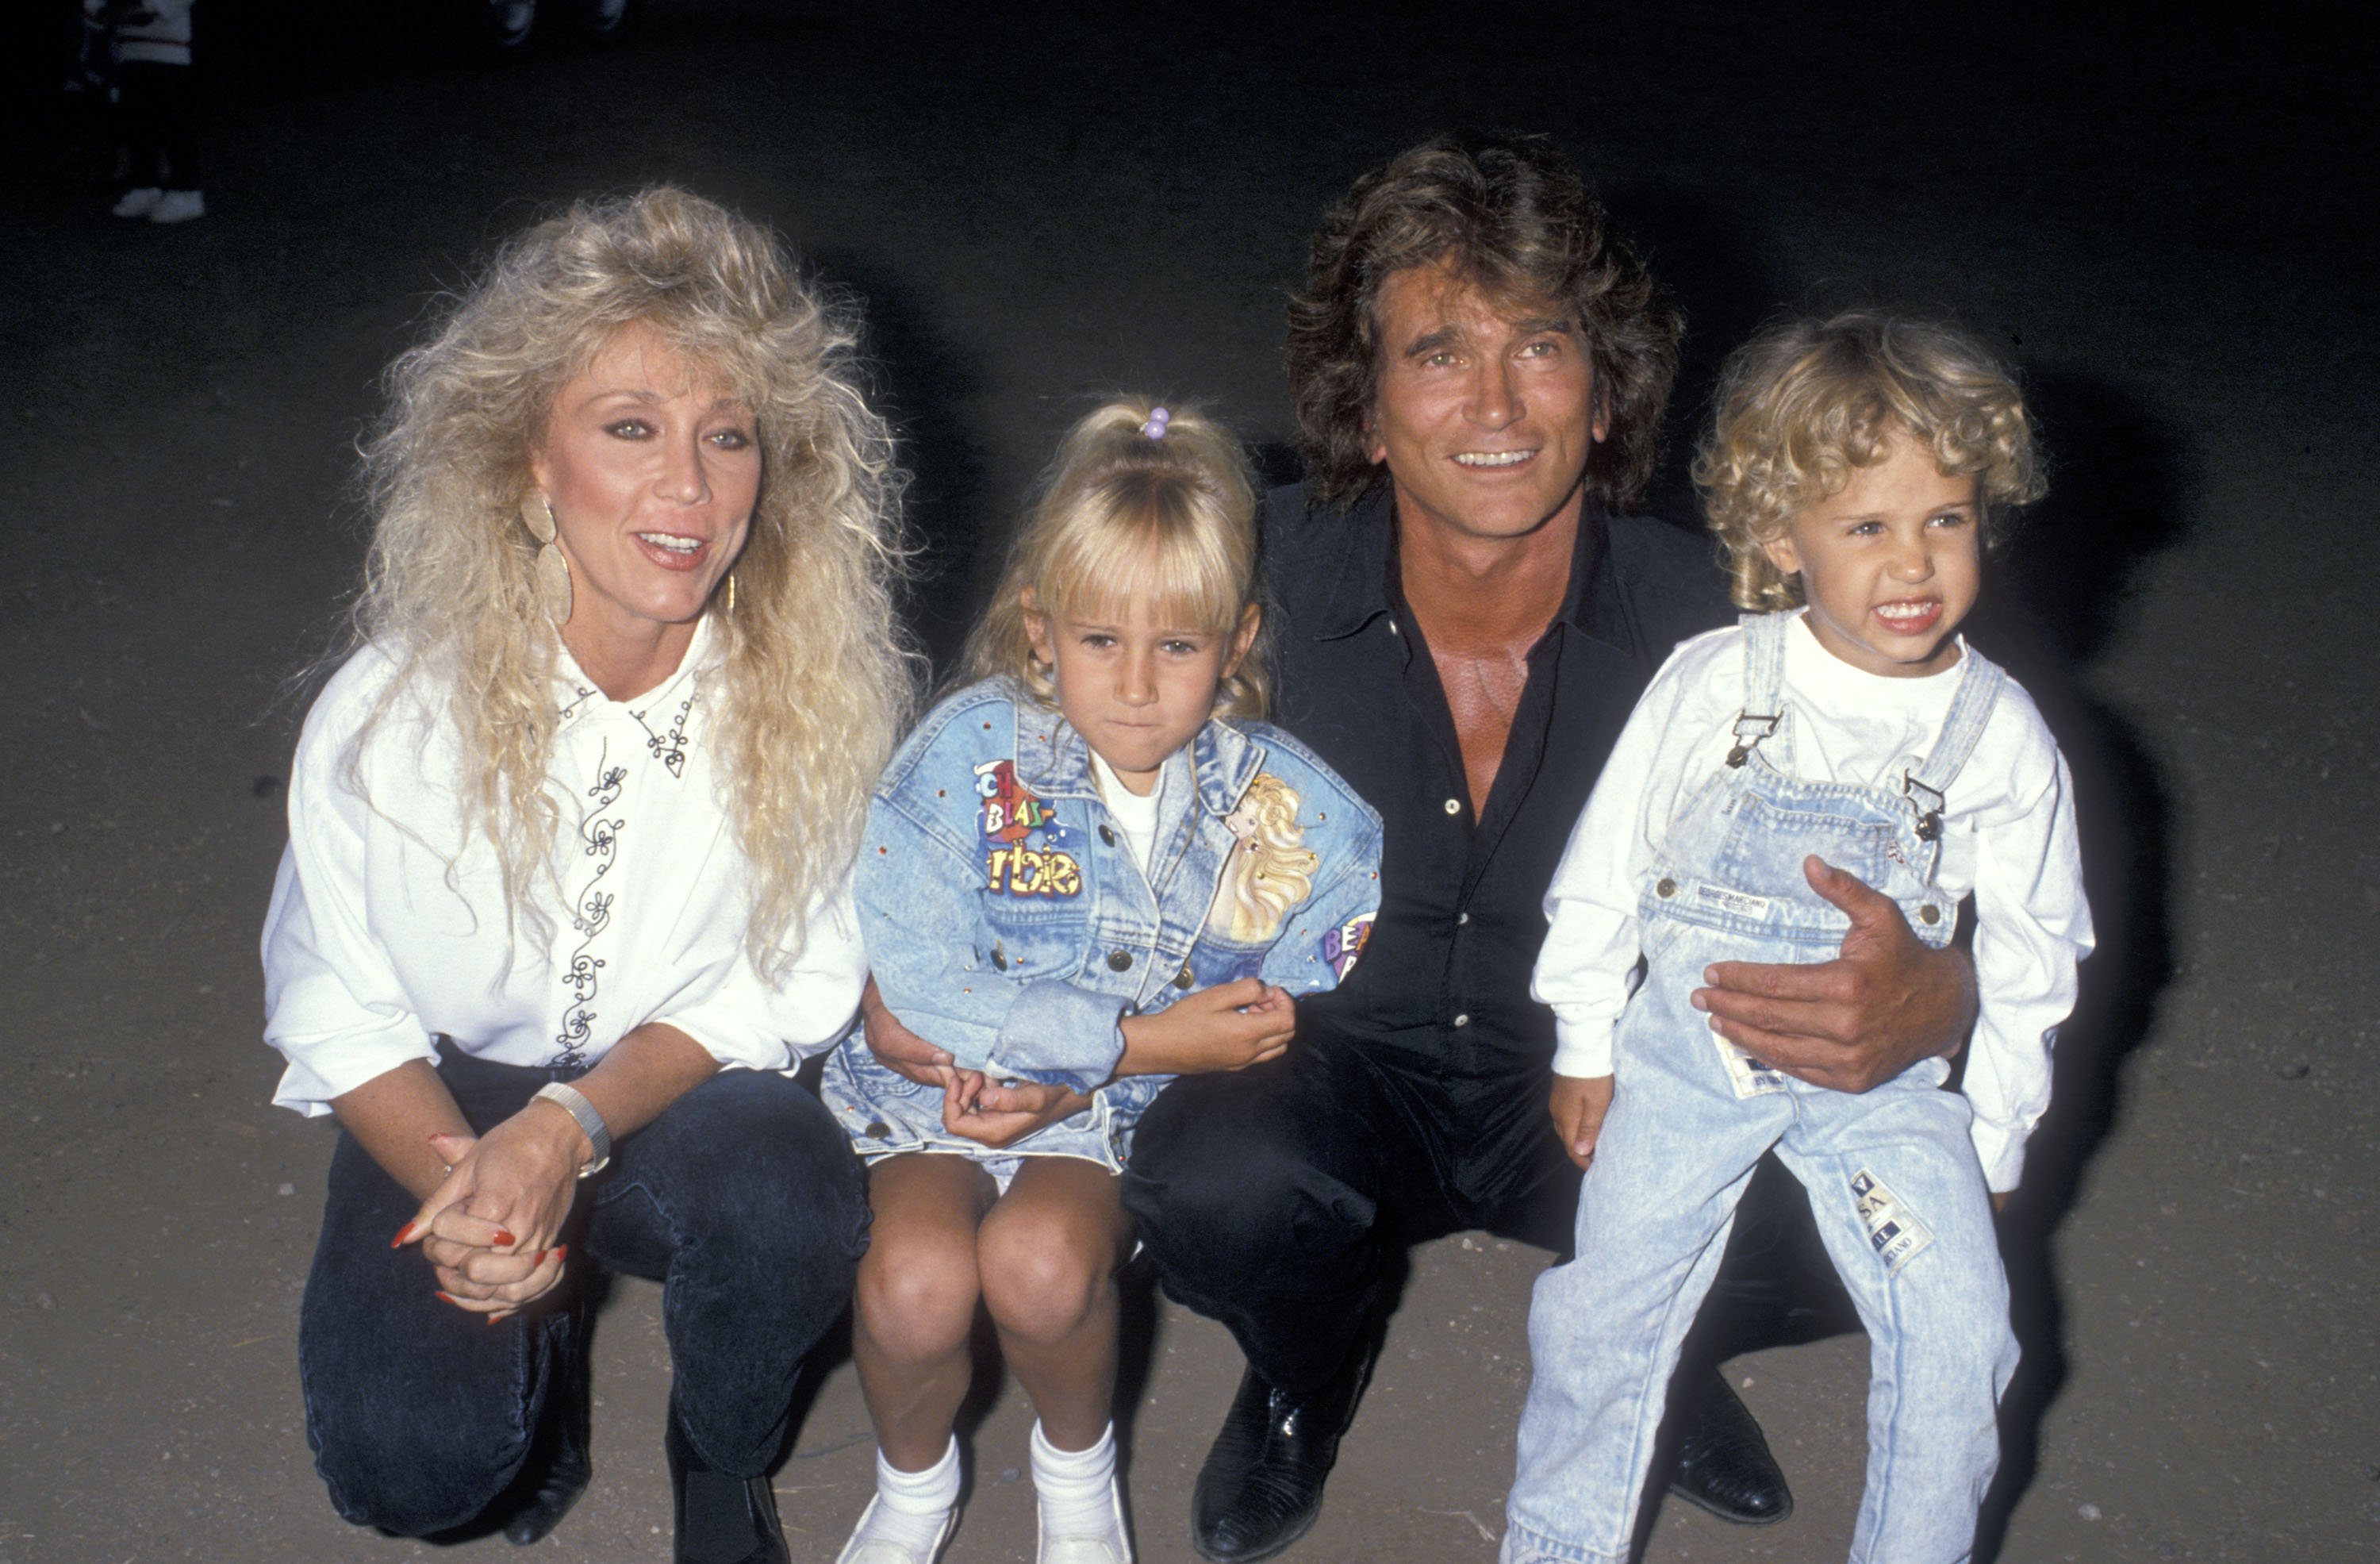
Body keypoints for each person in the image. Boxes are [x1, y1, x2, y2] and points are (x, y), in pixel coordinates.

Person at [1084, 136, 1986, 1562]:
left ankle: (1660, 1351)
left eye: (1544, 347)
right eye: (1439, 352)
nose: (1496, 403)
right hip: (1317, 1060)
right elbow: (1031, 760)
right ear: (1366, 408)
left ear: (1607, 389)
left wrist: (1947, 995)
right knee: (1214, 1191)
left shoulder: (1741, 630)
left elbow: (1971, 820)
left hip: (1611, 1081)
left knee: (1883, 1206)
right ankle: (1309, 1371)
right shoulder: (1246, 579)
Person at [260, 187, 913, 1564]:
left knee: (793, 1196)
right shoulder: (391, 713)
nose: (689, 488)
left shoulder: (814, 708)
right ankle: (533, 1371)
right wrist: (482, 1192)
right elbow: (338, 1004)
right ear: (527, 466)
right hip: (438, 1097)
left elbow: (785, 978)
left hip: (664, 1086)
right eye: (632, 430)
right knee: (417, 1475)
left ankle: (723, 1451)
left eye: (726, 437)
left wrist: (564, 1132)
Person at [1502, 313, 2093, 1564]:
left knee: (1962, 1326)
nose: (1914, 564)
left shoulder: (1999, 736)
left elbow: (2038, 952)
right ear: (1782, 538)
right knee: (1602, 1314)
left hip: (1884, 1089)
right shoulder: (1717, 682)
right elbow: (1607, 867)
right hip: (1689, 1052)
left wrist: (1995, 1127)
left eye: (1946, 518)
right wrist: (1586, 1038)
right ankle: (1556, 1546)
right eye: (1866, 527)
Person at [824, 400, 1384, 1564]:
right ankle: (915, 1487)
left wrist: (1099, 1082)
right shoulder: (963, 755)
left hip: (1107, 1122)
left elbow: (1336, 923)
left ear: (1233, 643)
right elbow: (915, 969)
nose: (1136, 686)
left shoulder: (1280, 805)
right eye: (1099, 641)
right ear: (1041, 628)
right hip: (935, 1093)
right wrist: (1130, 1042)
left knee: (1038, 1265)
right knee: (918, 1285)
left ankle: (1077, 1477)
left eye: (1177, 647)